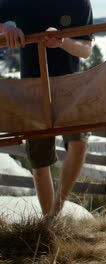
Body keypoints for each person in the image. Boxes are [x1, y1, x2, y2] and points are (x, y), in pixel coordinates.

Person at [0, 0, 94, 217]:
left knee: (79, 144)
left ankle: (56, 209)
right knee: (40, 160)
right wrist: (7, 28)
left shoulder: (80, 3)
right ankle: (49, 223)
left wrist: (62, 41)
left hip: (70, 86)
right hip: (32, 88)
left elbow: (86, 50)